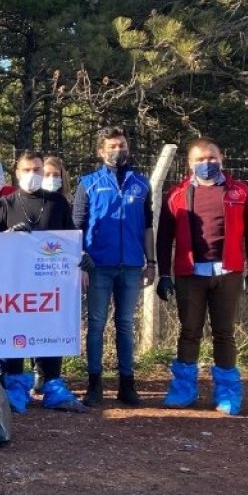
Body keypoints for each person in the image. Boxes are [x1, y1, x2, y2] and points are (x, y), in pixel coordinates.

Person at [154, 137, 248, 416]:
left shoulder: (239, 191)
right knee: (189, 331)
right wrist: (164, 274)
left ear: (221, 158)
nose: (207, 163)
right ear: (190, 163)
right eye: (200, 159)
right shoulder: (177, 195)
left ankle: (227, 391)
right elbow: (164, 237)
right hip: (190, 273)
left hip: (228, 273)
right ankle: (183, 388)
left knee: (224, 332)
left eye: (212, 157)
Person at [0, 151, 87, 413]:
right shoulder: (6, 204)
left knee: (51, 329)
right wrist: (6, 234)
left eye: (37, 169)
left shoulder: (57, 202)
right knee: (15, 331)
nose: (32, 175)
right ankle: (15, 385)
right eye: (27, 170)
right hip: (14, 285)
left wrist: (82, 256)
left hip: (50, 283)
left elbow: (70, 237)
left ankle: (53, 385)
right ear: (17, 173)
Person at [73, 126, 154, 408]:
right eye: (112, 146)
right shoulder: (88, 183)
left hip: (131, 265)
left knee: (125, 324)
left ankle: (127, 384)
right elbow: (77, 226)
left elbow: (148, 226)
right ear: (101, 151)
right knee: (96, 324)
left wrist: (151, 262)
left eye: (122, 145)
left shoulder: (141, 184)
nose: (118, 150)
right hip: (98, 266)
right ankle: (94, 384)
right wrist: (81, 260)